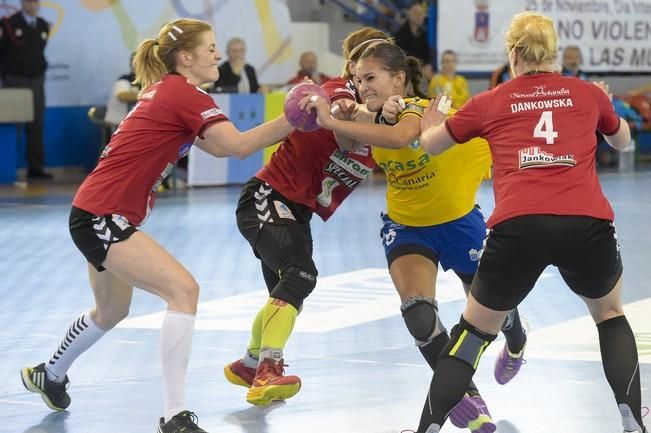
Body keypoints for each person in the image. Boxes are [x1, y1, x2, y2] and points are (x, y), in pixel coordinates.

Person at [19, 18, 294, 433]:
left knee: (112, 310)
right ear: (186, 57)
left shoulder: (168, 92)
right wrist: (294, 114)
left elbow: (220, 148)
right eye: (210, 47)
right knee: (184, 290)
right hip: (102, 216)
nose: (217, 54)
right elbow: (237, 146)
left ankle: (50, 374)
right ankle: (174, 416)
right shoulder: (181, 93)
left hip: (95, 212)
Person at [411, 12, 646, 433]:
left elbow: (432, 146)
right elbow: (622, 141)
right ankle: (632, 420)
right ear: (553, 54)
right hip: (586, 224)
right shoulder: (588, 93)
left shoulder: (492, 100)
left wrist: (429, 125)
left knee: (472, 333)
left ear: (513, 53)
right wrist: (603, 105)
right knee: (610, 314)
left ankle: (427, 427)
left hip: (519, 226)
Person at [303, 41, 528, 433]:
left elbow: (400, 137)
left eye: (370, 78)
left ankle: (518, 341)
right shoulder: (373, 114)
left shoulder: (424, 112)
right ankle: (465, 396)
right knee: (420, 317)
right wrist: (348, 109)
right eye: (358, 80)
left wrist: (333, 120)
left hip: (460, 224)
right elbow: (357, 134)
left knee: (497, 309)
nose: (362, 86)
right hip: (408, 226)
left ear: (399, 79)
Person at [222, 27, 390, 407]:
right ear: (352, 68)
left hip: (297, 211)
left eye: (378, 73)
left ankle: (250, 363)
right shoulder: (338, 93)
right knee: (300, 275)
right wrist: (368, 112)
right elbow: (347, 120)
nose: (369, 81)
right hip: (267, 198)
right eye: (365, 72)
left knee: (286, 294)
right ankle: (267, 369)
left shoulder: (385, 116)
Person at [0, 0, 51, 179]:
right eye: (30, 1)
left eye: (36, 1)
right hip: (14, 80)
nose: (34, 5)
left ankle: (35, 167)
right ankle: (5, 168)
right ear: (22, 3)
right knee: (11, 126)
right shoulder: (8, 24)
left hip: (36, 81)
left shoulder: (43, 25)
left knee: (37, 125)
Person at [393, 3, 432, 80]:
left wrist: (428, 65)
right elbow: (401, 59)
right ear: (409, 14)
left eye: (421, 14)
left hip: (420, 72)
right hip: (405, 73)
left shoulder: (423, 34)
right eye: (416, 13)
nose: (419, 16)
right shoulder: (400, 34)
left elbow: (427, 54)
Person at [104, 52, 140, 126]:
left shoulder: (145, 82)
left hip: (132, 124)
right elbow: (123, 96)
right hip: (116, 124)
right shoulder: (123, 80)